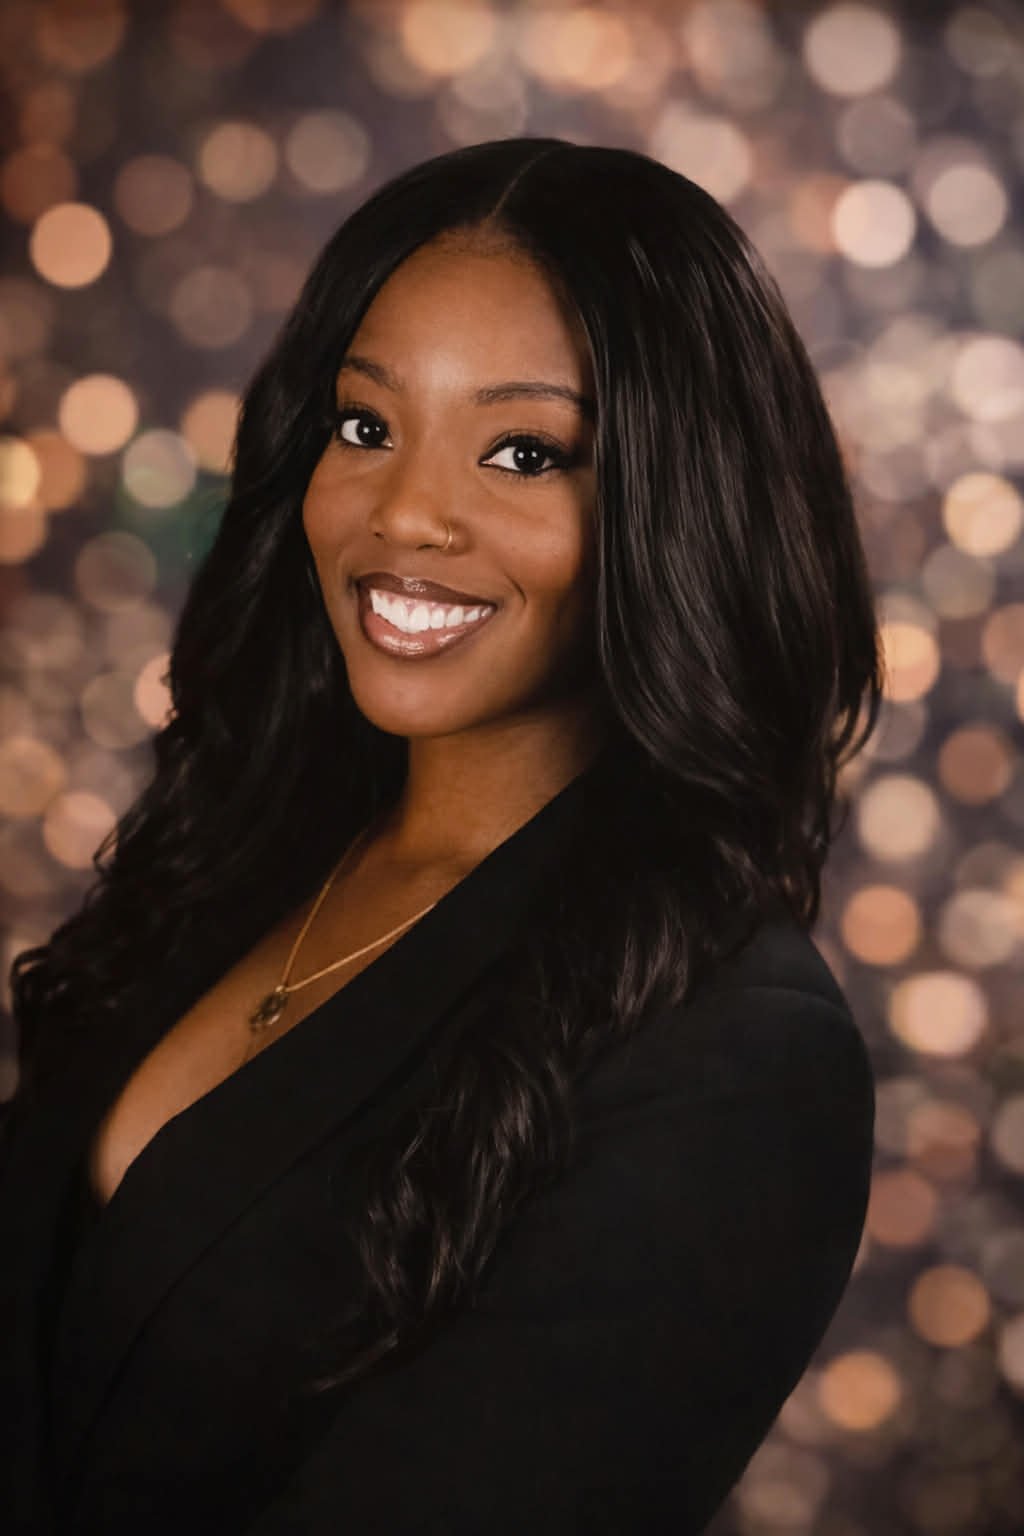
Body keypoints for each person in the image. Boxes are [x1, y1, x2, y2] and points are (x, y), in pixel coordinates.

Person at [0, 136, 882, 1534]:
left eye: (524, 452)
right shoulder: (250, 848)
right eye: (366, 425)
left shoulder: (739, 1062)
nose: (405, 512)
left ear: (675, 506)